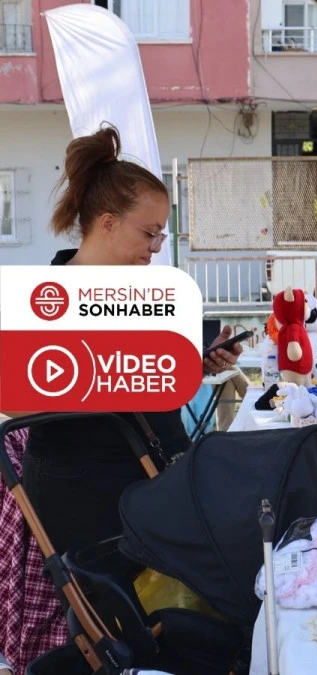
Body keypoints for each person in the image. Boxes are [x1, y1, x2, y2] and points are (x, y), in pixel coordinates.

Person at [3, 126, 243, 563]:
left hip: (159, 484)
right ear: (108, 223)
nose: (155, 247)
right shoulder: (47, 298)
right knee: (115, 621)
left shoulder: (150, 295)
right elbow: (15, 400)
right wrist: (106, 378)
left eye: (162, 235)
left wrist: (195, 364)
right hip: (85, 498)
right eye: (148, 233)